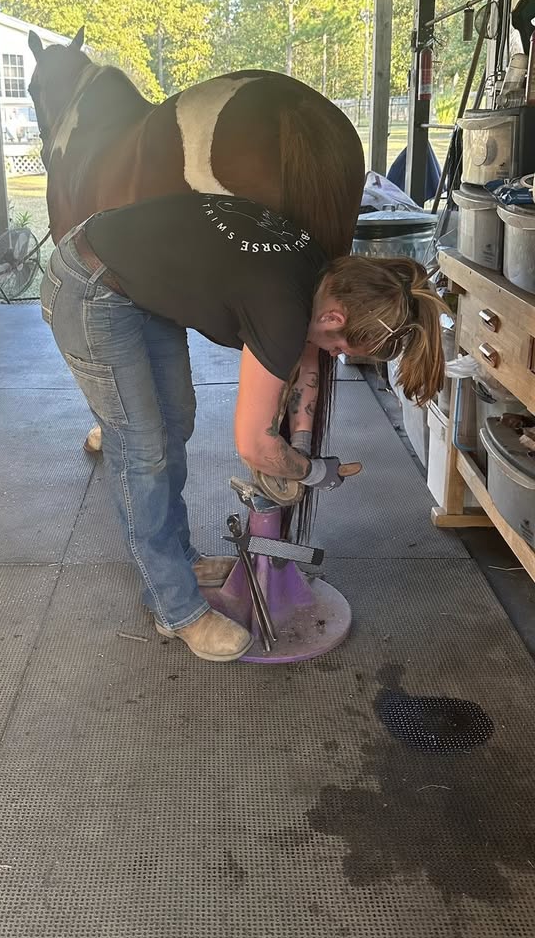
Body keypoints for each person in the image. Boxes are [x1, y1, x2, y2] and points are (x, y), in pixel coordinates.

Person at [41, 191, 444, 663]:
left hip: (133, 283)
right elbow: (254, 445)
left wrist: (296, 445)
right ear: (334, 318)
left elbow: (308, 359)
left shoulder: (323, 274)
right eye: (343, 347)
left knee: (176, 423)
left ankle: (181, 560)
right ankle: (175, 608)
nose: (338, 356)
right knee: (142, 449)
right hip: (90, 286)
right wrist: (311, 471)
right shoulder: (280, 304)